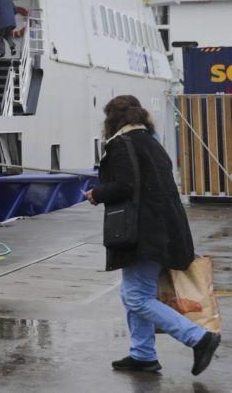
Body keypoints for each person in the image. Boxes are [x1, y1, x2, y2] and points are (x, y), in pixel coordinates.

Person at [85, 95, 221, 376]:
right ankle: (143, 355)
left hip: (142, 231)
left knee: (136, 297)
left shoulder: (122, 145)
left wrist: (97, 193)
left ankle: (198, 337)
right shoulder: (151, 143)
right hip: (164, 228)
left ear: (112, 120)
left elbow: (124, 186)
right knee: (136, 293)